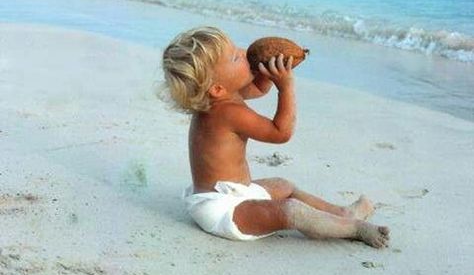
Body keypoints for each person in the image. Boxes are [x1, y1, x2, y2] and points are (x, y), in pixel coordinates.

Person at [161, 26, 389, 247]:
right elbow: (281, 133)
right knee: (291, 210)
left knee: (283, 185)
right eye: (234, 58)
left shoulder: (222, 97)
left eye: (237, 48)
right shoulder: (227, 112)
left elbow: (259, 89)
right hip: (222, 210)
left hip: (238, 192)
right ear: (218, 89)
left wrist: (270, 70)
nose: (244, 53)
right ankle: (354, 229)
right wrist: (286, 87)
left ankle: (342, 214)